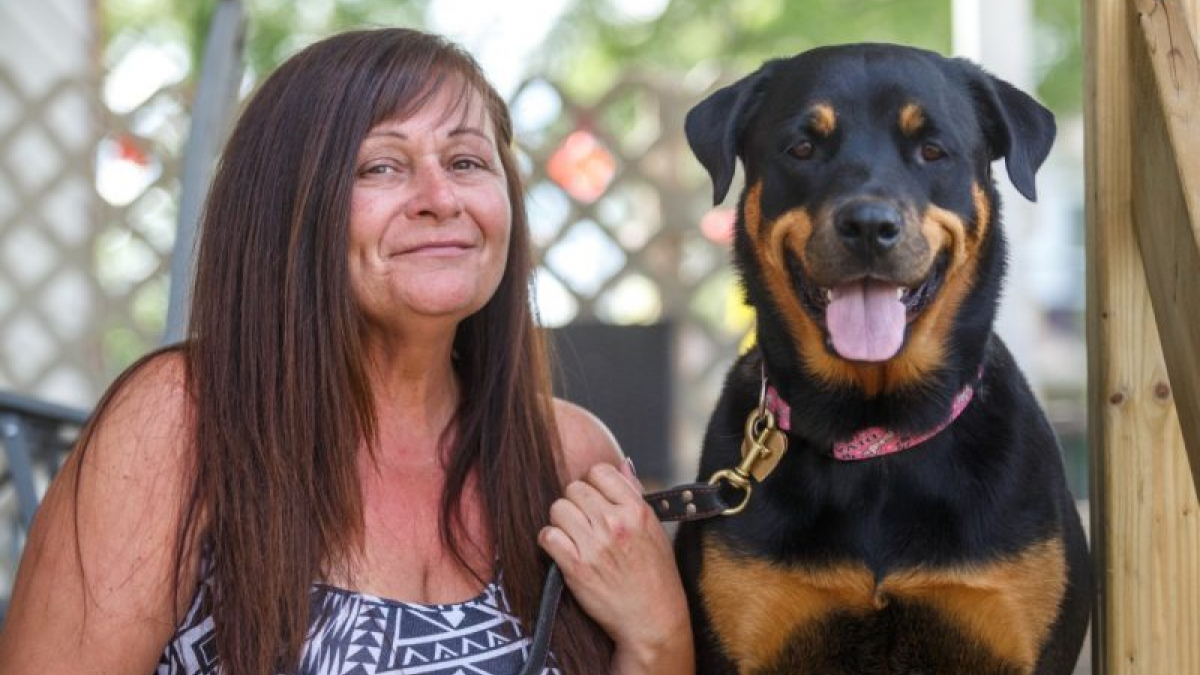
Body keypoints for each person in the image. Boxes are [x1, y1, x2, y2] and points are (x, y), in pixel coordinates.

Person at [0, 27, 692, 675]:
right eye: (382, 166)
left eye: (466, 160)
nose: (440, 197)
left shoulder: (568, 455)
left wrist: (657, 635)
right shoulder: (184, 420)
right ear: (289, 209)